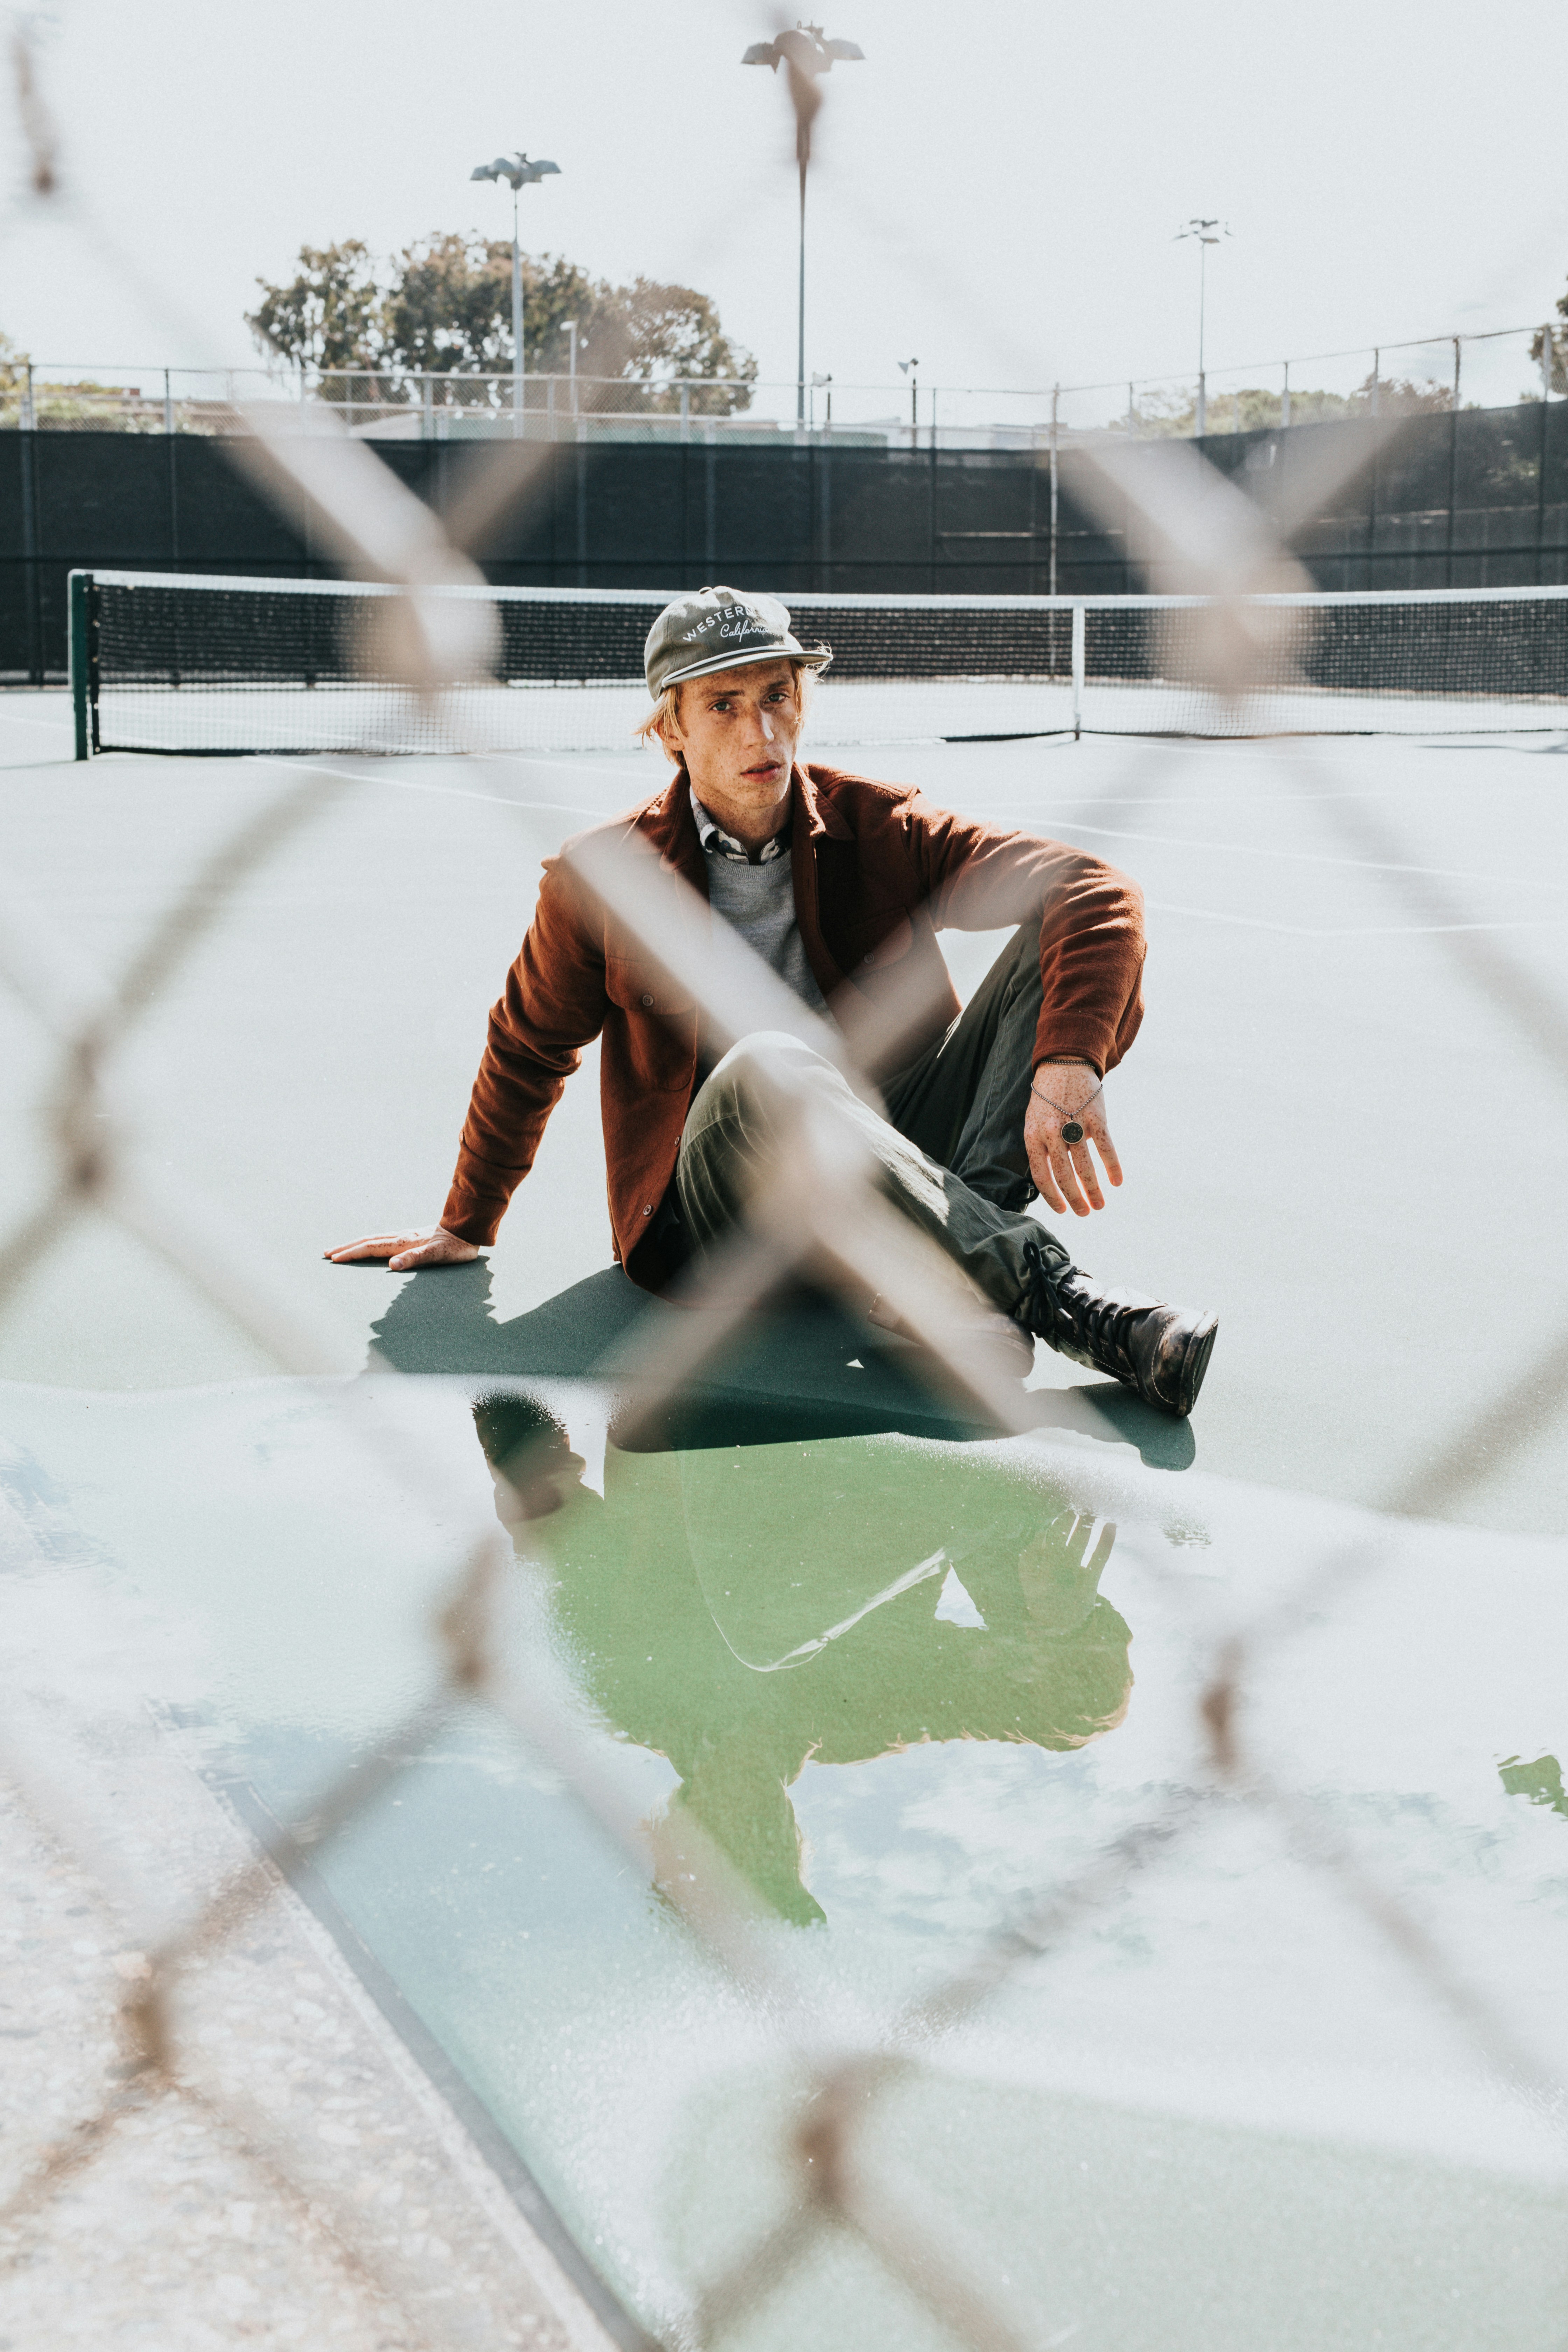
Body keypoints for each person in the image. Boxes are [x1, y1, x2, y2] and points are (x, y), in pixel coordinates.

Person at [329, 586, 1217, 1417]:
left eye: (777, 696)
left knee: (1056, 935)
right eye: (722, 705)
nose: (760, 731)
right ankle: (1054, 1297)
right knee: (770, 1062)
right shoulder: (601, 880)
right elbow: (527, 1048)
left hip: (894, 1162)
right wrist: (467, 1221)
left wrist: (1068, 1060)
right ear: (669, 729)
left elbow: (1096, 890)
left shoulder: (879, 826)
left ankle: (942, 1283)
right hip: (721, 1223)